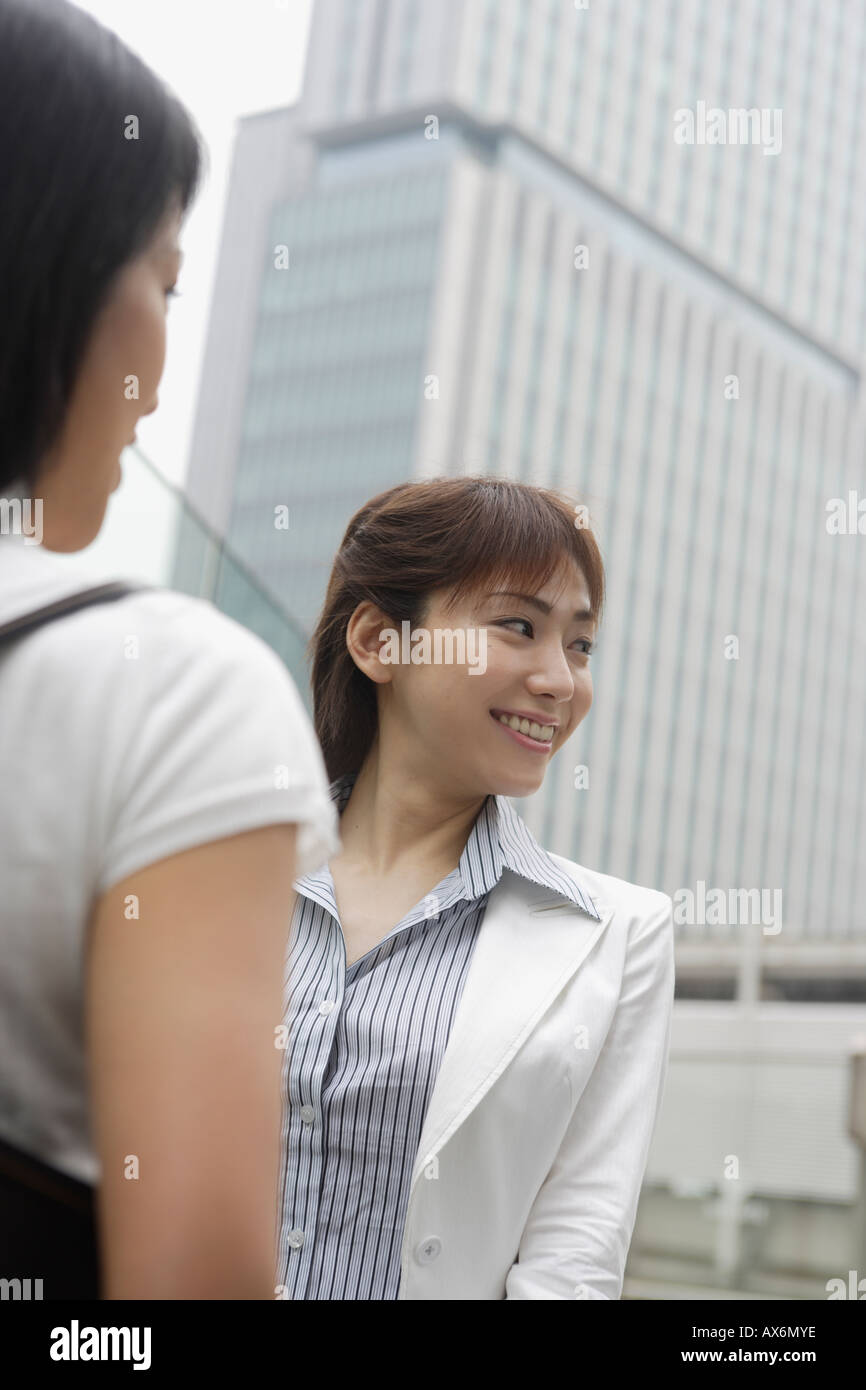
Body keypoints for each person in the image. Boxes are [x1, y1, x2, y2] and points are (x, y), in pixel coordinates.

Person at [0, 0, 340, 1299]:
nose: (161, 348)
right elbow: (191, 1280)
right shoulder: (172, 692)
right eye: (166, 279)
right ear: (51, 270)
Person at [274, 476, 675, 1300]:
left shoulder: (619, 936)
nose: (561, 682)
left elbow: (573, 1266)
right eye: (519, 627)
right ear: (381, 642)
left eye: (580, 645)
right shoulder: (222, 880)